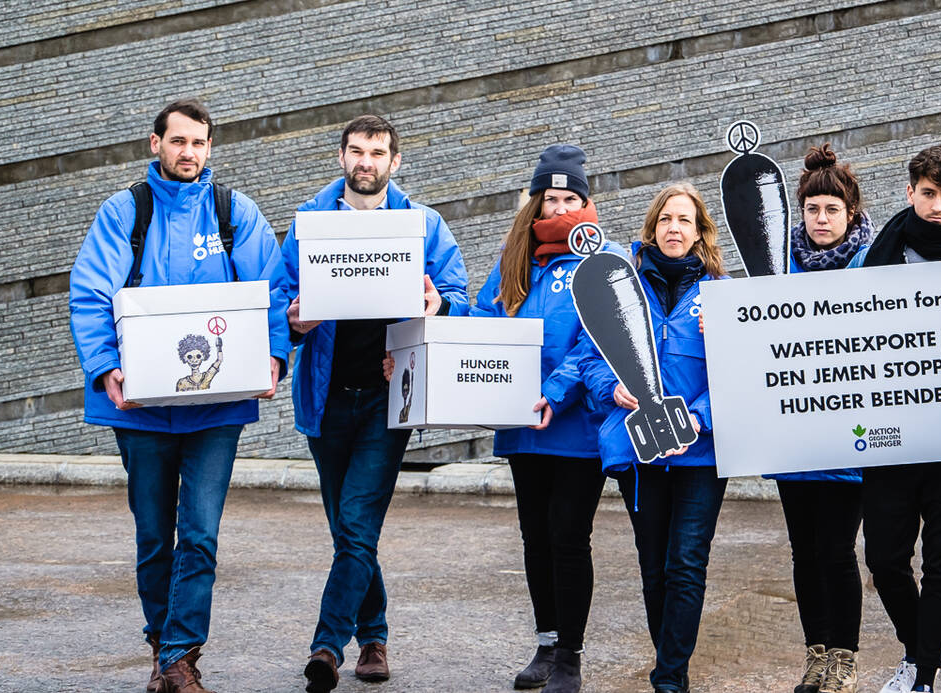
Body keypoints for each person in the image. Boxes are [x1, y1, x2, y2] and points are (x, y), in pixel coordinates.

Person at [68, 98, 289, 693]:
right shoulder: (124, 213)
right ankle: (161, 643)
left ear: (210, 149)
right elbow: (90, 293)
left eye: (199, 143)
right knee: (151, 535)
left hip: (215, 409)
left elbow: (272, 287)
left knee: (199, 533)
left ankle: (180, 657)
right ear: (155, 144)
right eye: (178, 141)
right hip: (139, 409)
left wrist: (273, 355)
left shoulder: (232, 212)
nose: (188, 152)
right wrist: (104, 367)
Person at [273, 114, 469, 693]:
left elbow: (456, 294)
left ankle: (328, 647)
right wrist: (292, 321)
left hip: (390, 400)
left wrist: (438, 309)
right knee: (348, 529)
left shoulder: (423, 225)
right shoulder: (309, 224)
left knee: (356, 524)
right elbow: (280, 299)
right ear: (341, 157)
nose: (366, 162)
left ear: (394, 161)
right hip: (326, 400)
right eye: (356, 151)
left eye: (377, 153)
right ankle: (376, 635)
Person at [461, 144, 611, 692]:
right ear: (535, 202)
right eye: (551, 199)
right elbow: (483, 319)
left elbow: (601, 339)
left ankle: (571, 654)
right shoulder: (514, 256)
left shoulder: (603, 258)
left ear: (586, 200)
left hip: (577, 425)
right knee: (534, 537)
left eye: (571, 198)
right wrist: (444, 321)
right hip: (521, 422)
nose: (560, 209)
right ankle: (547, 641)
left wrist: (555, 390)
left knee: (569, 535)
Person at [566, 182, 726, 693]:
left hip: (700, 453)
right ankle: (669, 661)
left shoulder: (721, 294)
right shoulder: (620, 287)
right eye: (665, 220)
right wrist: (611, 389)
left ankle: (669, 677)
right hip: (640, 449)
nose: (674, 228)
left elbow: (741, 371)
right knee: (654, 567)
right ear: (652, 229)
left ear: (700, 231)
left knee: (686, 563)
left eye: (685, 220)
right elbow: (590, 357)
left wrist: (697, 418)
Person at [846, 145, 941, 693]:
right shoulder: (878, 259)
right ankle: (918, 651)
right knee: (884, 559)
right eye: (928, 194)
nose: (937, 206)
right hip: (891, 441)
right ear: (909, 193)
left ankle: (922, 675)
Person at [772, 144, 875, 693]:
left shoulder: (873, 262)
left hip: (848, 438)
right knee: (804, 551)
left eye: (831, 210)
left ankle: (845, 657)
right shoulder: (776, 265)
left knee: (837, 550)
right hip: (794, 436)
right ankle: (815, 654)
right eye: (812, 209)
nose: (820, 219)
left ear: (850, 214)